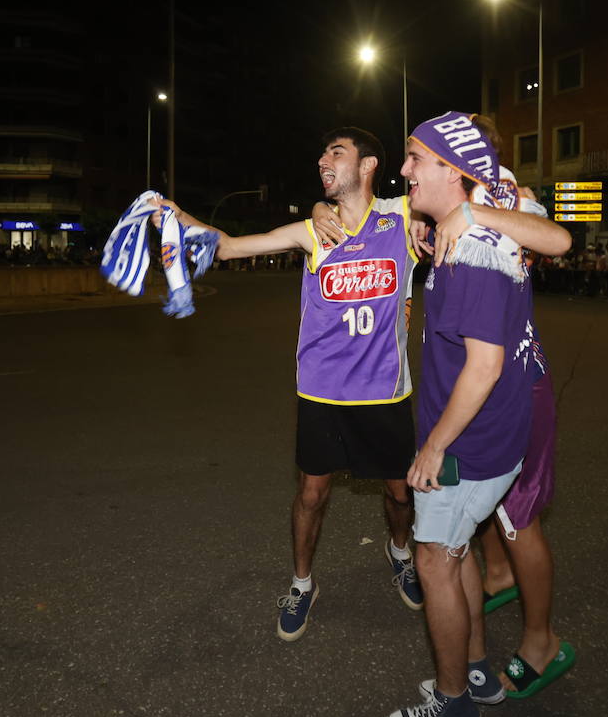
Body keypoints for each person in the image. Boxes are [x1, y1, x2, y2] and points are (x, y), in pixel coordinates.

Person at [158, 127, 568, 644]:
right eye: (322, 151)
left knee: (401, 494)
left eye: (336, 151)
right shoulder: (314, 231)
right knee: (311, 493)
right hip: (320, 393)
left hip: (385, 392)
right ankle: (302, 583)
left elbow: (478, 200)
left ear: (368, 165)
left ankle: (400, 554)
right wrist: (176, 214)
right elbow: (231, 247)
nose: (323, 158)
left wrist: (510, 199)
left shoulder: (402, 218)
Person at [385, 113, 540, 717]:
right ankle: (475, 669)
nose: (404, 170)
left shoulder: (472, 252)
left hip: (468, 445)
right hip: (491, 437)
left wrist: (434, 447)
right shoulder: (468, 230)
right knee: (459, 549)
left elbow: (484, 366)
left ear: (453, 169)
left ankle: (453, 705)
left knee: (434, 560)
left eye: (415, 158)